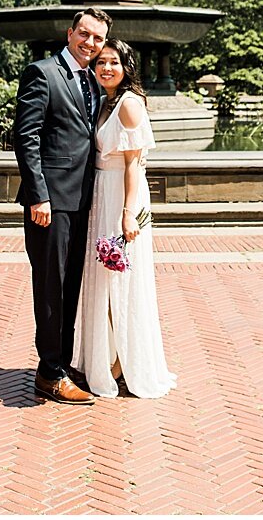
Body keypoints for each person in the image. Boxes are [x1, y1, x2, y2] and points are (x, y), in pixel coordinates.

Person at [14, 7, 112, 405]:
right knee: (52, 286)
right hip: (50, 203)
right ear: (70, 33)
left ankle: (61, 362)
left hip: (82, 200)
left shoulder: (95, 80)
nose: (90, 43)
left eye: (98, 38)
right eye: (84, 34)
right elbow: (27, 137)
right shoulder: (43, 73)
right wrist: (39, 195)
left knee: (70, 286)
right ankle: (50, 373)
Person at [73, 39, 177, 399]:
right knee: (102, 278)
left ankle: (121, 365)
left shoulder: (129, 105)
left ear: (126, 66)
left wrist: (127, 214)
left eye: (113, 62)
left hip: (122, 195)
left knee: (120, 280)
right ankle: (106, 359)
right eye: (101, 62)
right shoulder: (105, 102)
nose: (106, 69)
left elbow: (134, 164)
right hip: (104, 191)